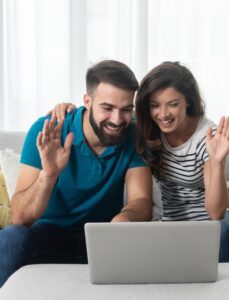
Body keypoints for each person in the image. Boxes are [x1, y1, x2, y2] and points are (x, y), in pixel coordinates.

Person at [50, 61, 229, 262]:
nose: (163, 114)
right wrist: (69, 108)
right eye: (155, 105)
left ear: (188, 101)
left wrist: (217, 162)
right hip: (173, 224)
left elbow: (216, 213)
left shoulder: (206, 137)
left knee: (219, 233)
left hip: (224, 222)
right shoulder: (147, 128)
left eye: (173, 104)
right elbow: (107, 113)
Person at [0, 60, 152, 287]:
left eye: (126, 110)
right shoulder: (47, 130)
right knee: (11, 239)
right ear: (87, 101)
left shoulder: (134, 135)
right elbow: (20, 217)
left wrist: (125, 219)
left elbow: (141, 199)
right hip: (50, 237)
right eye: (108, 108)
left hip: (104, 240)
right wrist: (49, 175)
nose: (117, 119)